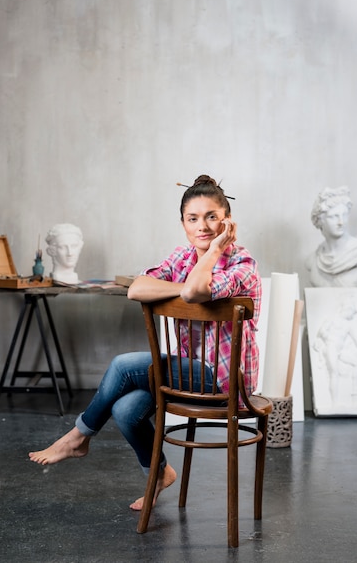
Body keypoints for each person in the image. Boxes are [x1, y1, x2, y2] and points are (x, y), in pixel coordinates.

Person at [29, 175, 262, 511]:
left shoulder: (243, 264)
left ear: (228, 220)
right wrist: (178, 290)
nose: (203, 226)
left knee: (123, 366)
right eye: (192, 219)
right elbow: (137, 288)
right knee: (125, 410)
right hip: (185, 377)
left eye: (212, 217)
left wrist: (213, 252)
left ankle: (77, 436)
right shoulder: (182, 258)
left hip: (226, 381)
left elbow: (196, 290)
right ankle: (160, 473)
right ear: (182, 223)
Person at [305, 186, 357, 287]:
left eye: (344, 215)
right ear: (320, 221)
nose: (341, 222)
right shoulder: (314, 259)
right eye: (334, 217)